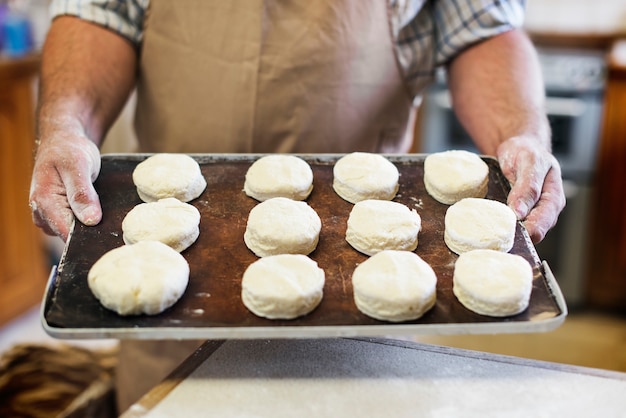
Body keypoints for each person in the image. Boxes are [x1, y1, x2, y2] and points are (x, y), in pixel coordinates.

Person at [29, 0, 566, 412]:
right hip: (171, 327)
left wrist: (519, 131)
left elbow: (483, 25)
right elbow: (98, 12)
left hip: (373, 288)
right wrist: (66, 125)